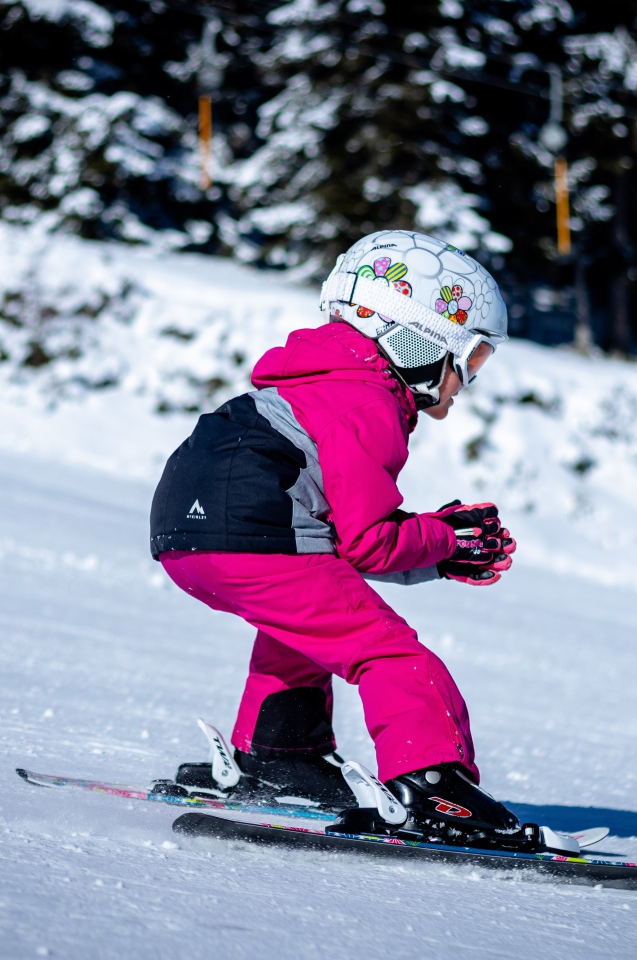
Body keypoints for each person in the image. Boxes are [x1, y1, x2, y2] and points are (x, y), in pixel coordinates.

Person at [150, 230, 520, 845]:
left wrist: (435, 547)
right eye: (472, 359)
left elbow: (340, 546)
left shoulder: (314, 382)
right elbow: (369, 542)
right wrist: (446, 542)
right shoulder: (367, 400)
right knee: (392, 654)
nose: (465, 382)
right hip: (252, 532)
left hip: (187, 538)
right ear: (419, 340)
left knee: (304, 623)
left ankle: (282, 754)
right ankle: (432, 788)